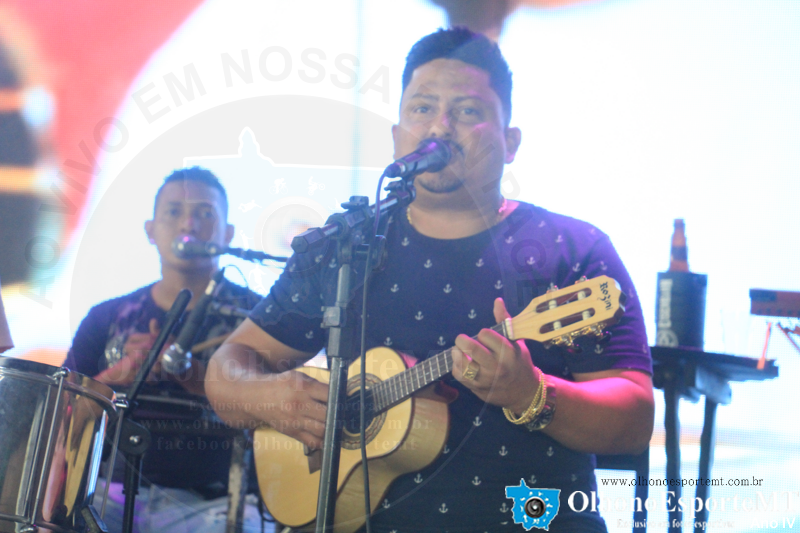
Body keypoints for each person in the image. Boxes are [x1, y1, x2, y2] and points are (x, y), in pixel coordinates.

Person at [206, 28, 654, 533]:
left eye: (467, 110)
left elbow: (635, 419)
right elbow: (225, 369)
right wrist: (269, 397)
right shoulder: (345, 244)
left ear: (510, 142)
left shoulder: (572, 248)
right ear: (397, 135)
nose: (440, 125)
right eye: (422, 108)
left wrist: (533, 394)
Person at [65, 167, 263, 533]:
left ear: (228, 233)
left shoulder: (259, 318)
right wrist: (115, 377)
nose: (188, 223)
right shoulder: (106, 317)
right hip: (107, 497)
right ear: (150, 230)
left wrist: (198, 379)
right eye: (174, 212)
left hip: (216, 505)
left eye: (205, 213)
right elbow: (62, 418)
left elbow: (279, 414)